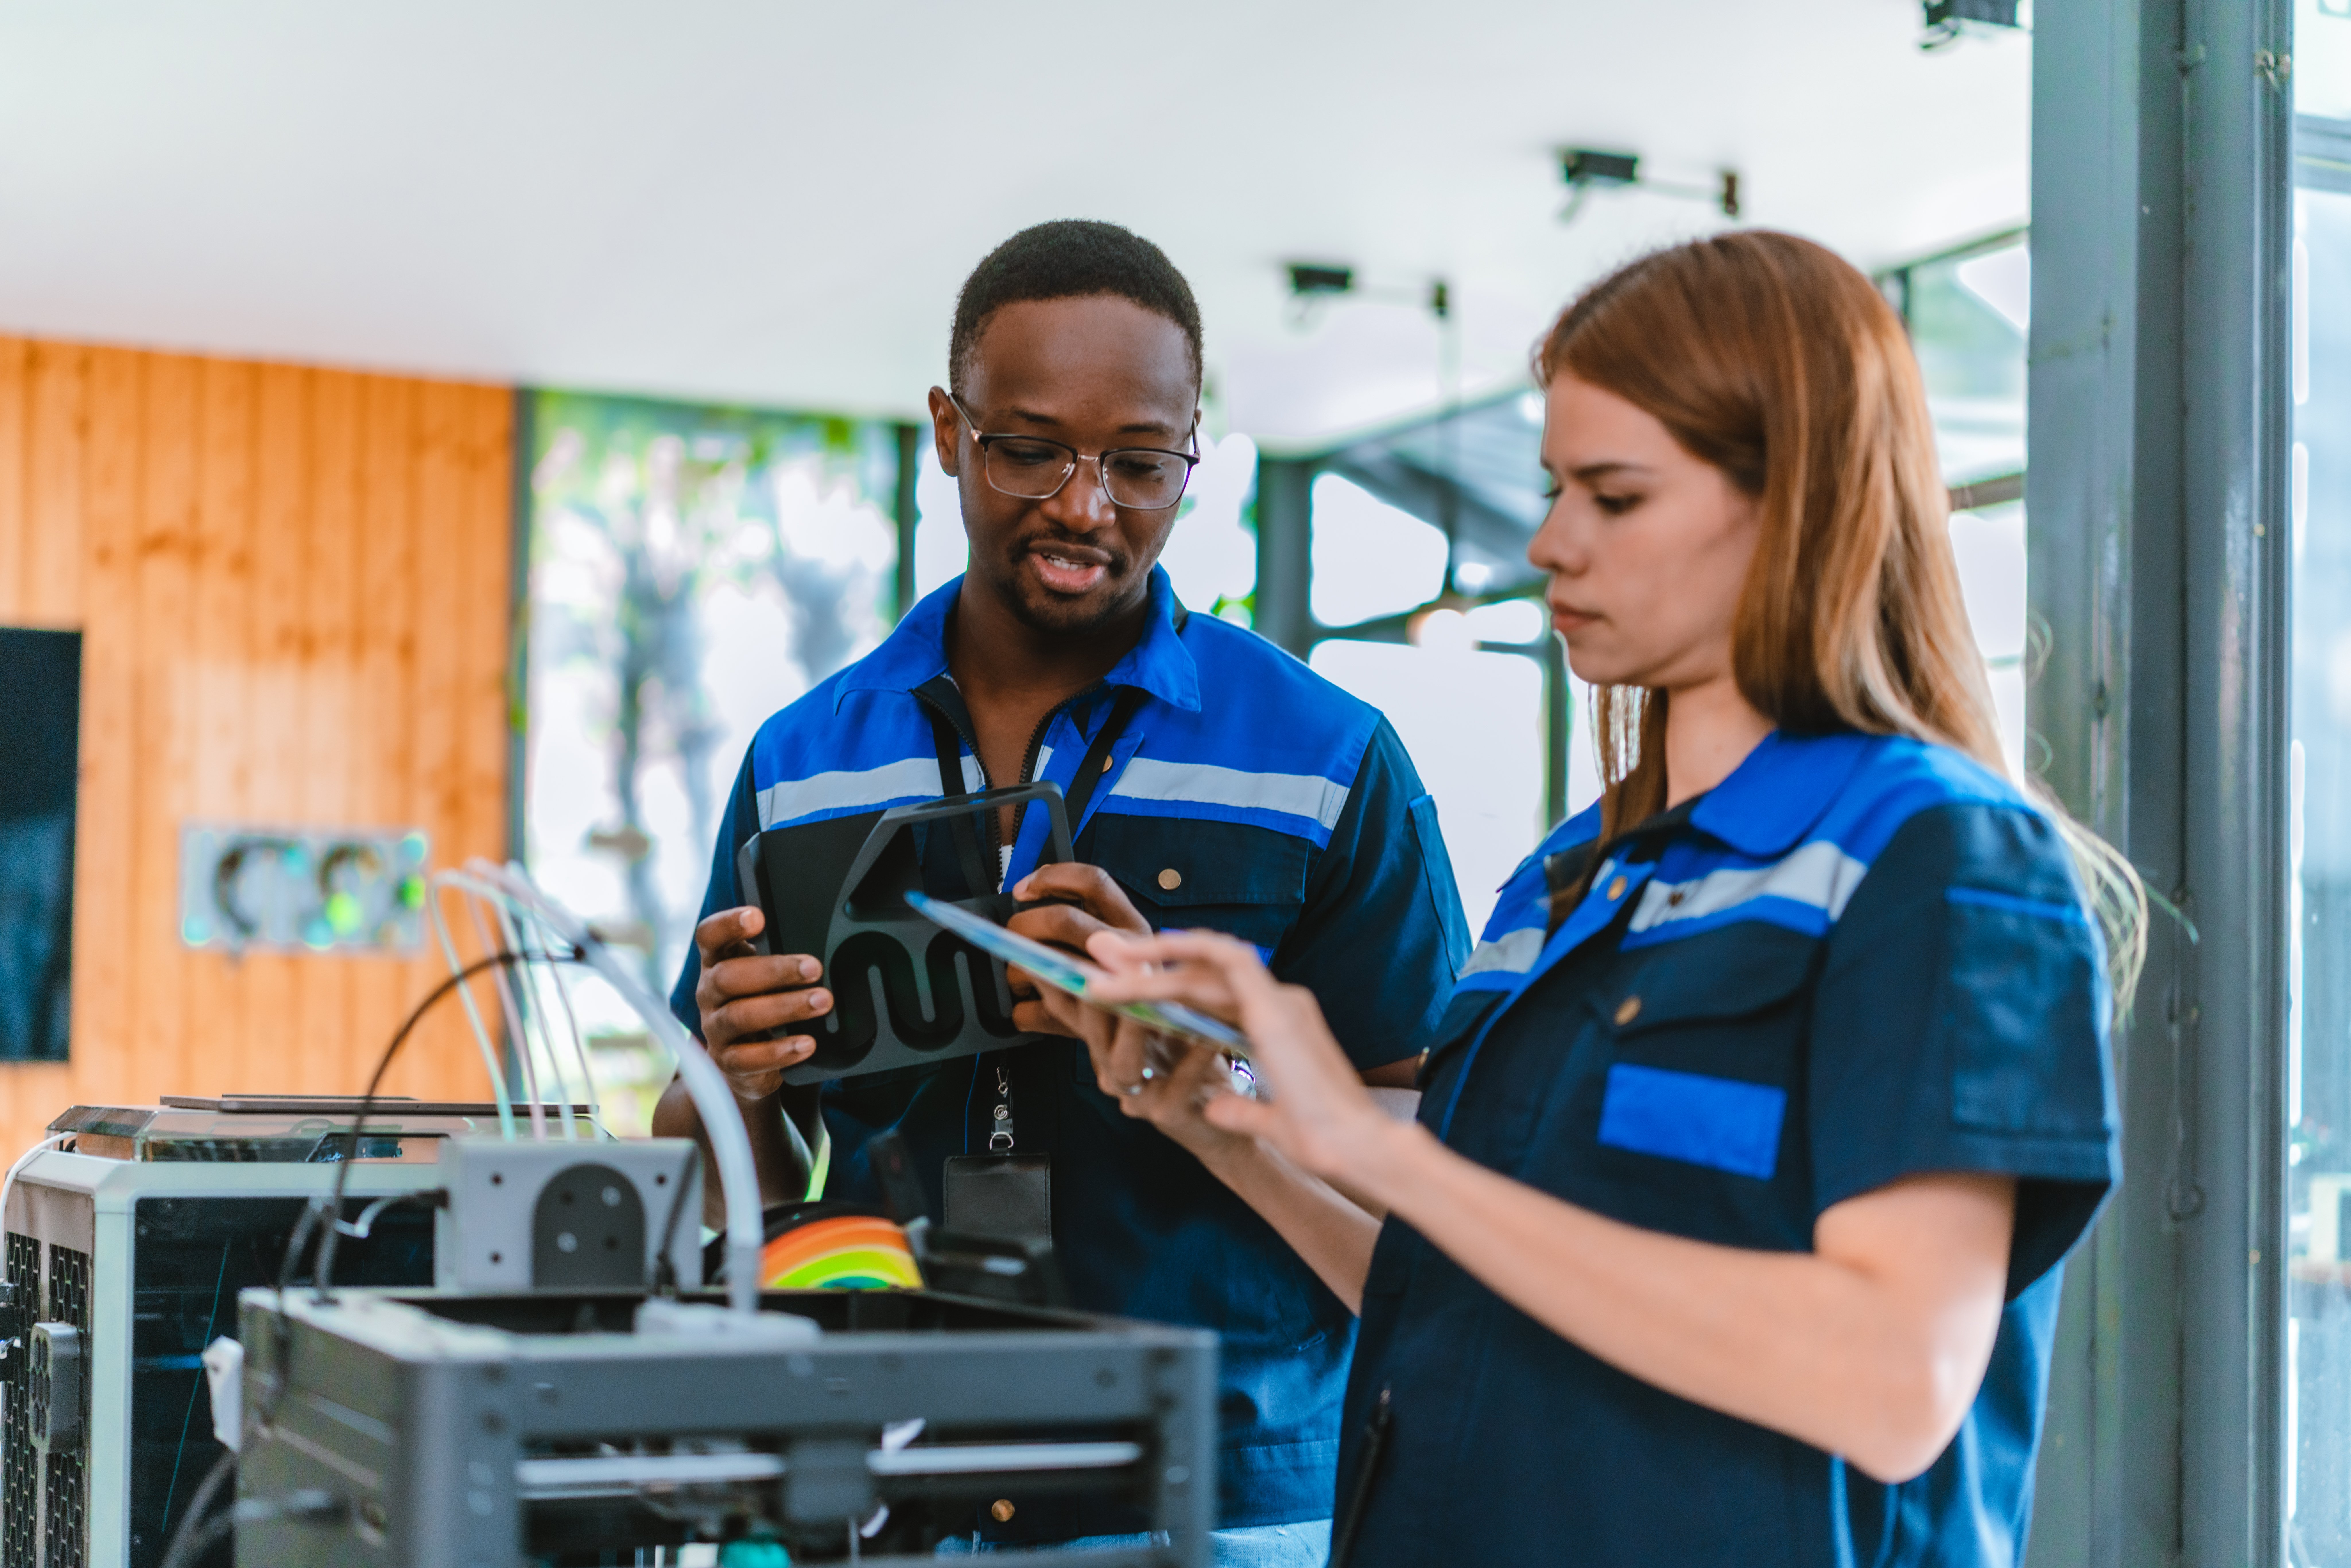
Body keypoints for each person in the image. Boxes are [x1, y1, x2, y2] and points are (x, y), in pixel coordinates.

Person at [1057, 230, 2142, 1567]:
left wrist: (1375, 1147)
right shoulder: (1566, 880)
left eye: (1613, 498)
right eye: (1554, 487)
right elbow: (1458, 1302)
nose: (1548, 543)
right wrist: (1219, 1130)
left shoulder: (1935, 862)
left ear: (1794, 503)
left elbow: (1891, 1381)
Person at [651, 219, 1469, 1563]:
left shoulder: (1326, 756)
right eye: (1028, 451)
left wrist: (1215, 1068)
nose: (1086, 508)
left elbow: (1431, 1143)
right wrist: (734, 1081)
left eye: (1139, 464)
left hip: (1221, 1495)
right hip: (884, 1481)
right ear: (946, 432)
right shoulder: (802, 760)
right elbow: (717, 1169)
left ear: (1192, 456)